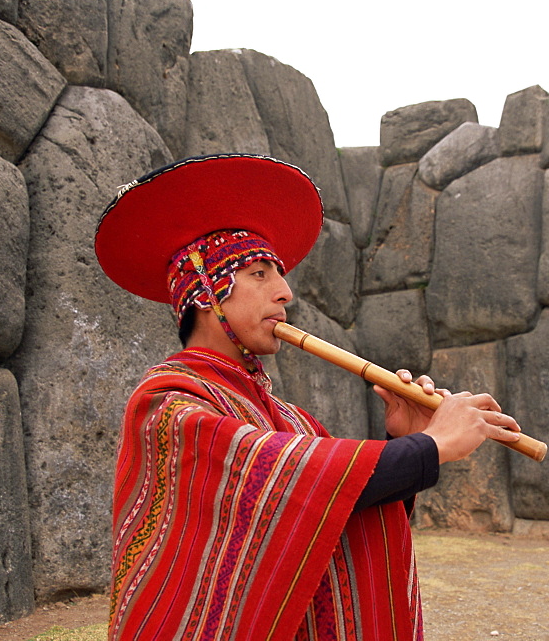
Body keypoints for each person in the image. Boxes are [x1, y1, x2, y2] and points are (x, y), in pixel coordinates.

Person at [94, 153, 522, 640]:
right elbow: (275, 477)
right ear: (205, 291)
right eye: (258, 273)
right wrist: (435, 445)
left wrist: (404, 436)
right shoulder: (166, 403)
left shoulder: (291, 420)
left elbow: (338, 508)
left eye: (277, 274)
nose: (285, 293)